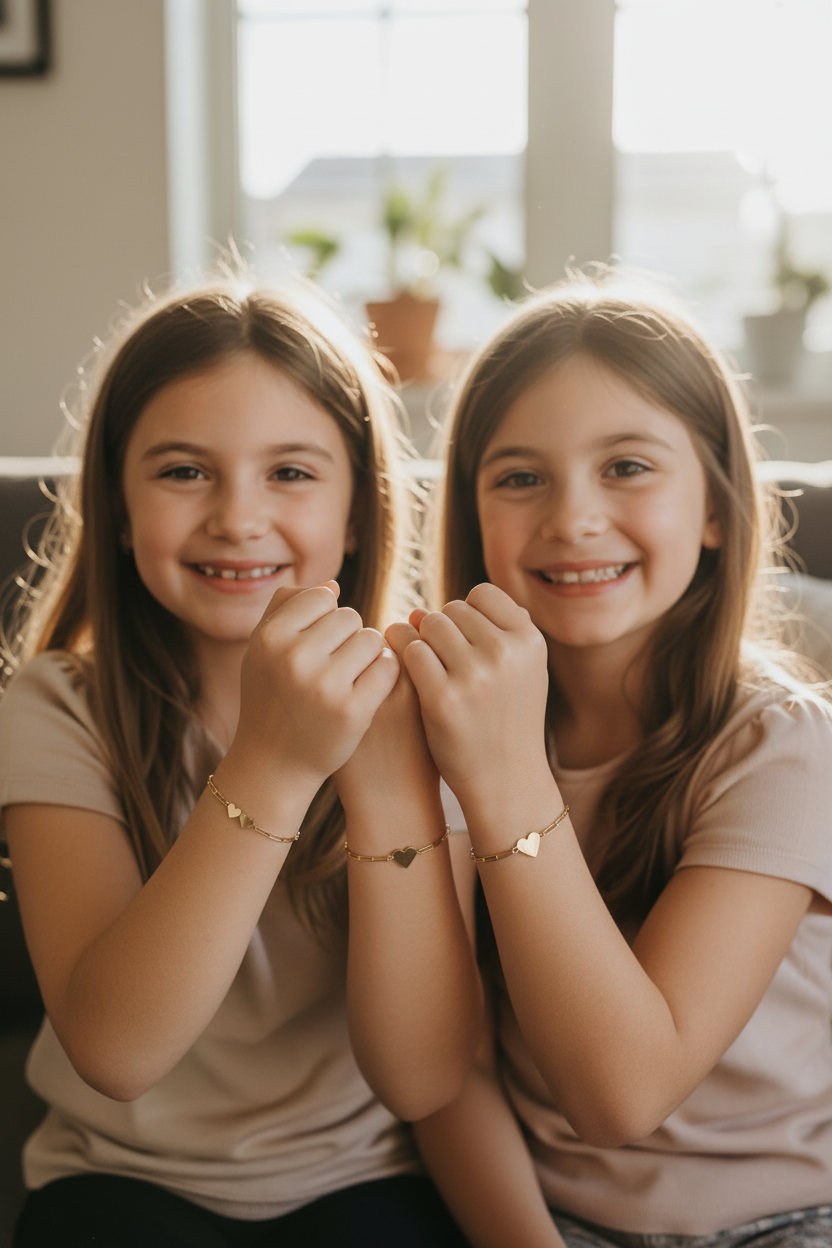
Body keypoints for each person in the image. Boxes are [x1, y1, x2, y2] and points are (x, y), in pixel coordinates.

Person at [0, 281, 480, 1247]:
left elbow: (422, 1076)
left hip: (359, 1183)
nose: (237, 517)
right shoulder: (56, 707)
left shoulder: (431, 707)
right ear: (118, 507)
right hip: (120, 1180)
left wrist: (389, 790)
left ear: (357, 511)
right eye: (184, 471)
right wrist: (274, 763)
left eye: (290, 473)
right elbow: (116, 1052)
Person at [397, 278, 832, 1247]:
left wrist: (503, 775)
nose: (573, 518)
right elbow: (451, 1073)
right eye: (520, 478)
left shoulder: (785, 747)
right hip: (542, 1218)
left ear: (715, 508)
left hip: (784, 1220)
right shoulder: (434, 728)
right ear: (471, 517)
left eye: (627, 466)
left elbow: (623, 1093)